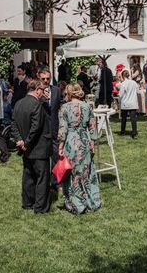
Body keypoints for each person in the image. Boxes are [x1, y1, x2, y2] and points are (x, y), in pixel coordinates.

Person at [58, 83, 102, 214]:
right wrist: (92, 143)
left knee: (72, 172)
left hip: (71, 142)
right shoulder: (87, 106)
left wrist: (60, 146)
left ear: (69, 93)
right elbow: (93, 126)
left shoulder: (64, 107)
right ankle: (89, 201)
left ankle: (76, 203)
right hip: (84, 141)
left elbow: (63, 129)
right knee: (85, 171)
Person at [11, 80, 51, 214]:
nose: (43, 93)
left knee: (28, 176)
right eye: (42, 90)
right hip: (38, 147)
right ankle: (40, 207)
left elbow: (14, 124)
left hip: (26, 148)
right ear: (37, 90)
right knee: (42, 177)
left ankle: (27, 203)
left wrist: (20, 140)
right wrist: (25, 142)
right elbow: (36, 127)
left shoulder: (18, 103)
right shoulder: (36, 105)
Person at [38, 68, 63, 183]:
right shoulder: (36, 91)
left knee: (56, 156)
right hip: (41, 129)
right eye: (43, 78)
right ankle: (43, 181)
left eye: (48, 78)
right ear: (39, 78)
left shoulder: (57, 90)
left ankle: (54, 182)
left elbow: (60, 105)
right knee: (42, 158)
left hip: (54, 127)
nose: (46, 80)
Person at [118, 69, 138, 138]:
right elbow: (137, 90)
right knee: (133, 119)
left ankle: (122, 131)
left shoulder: (123, 84)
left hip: (125, 103)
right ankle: (134, 132)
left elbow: (120, 95)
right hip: (133, 103)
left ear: (123, 76)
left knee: (124, 119)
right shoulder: (134, 82)